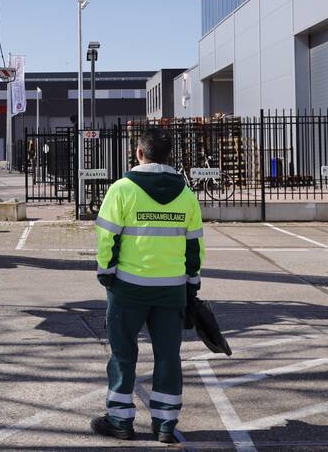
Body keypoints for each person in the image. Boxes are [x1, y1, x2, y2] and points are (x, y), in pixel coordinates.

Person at [91, 126, 205, 443]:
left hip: (128, 288)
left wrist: (106, 272)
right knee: (168, 357)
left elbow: (106, 237)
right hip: (171, 291)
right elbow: (195, 247)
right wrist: (191, 284)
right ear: (169, 158)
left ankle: (120, 420)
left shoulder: (122, 189)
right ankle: (166, 425)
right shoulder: (186, 194)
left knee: (123, 356)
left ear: (139, 153)